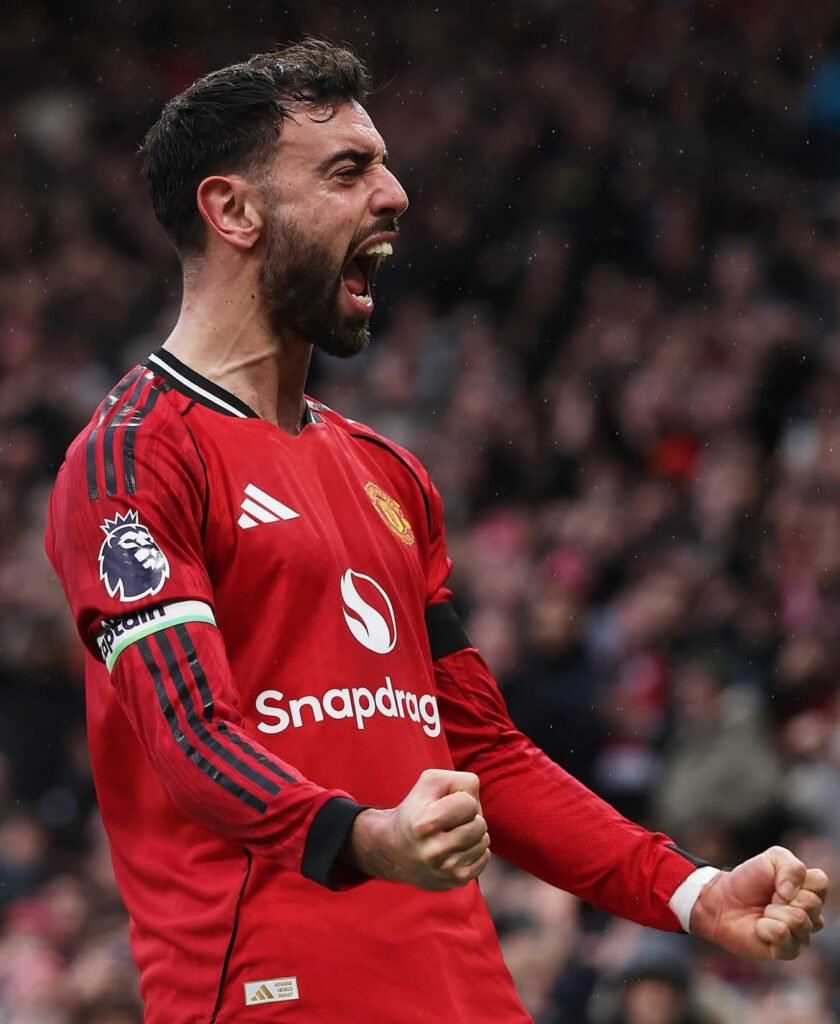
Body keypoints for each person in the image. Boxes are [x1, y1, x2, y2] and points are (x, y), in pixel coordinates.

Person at [44, 40, 828, 1024]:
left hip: (467, 993)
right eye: (348, 170)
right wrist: (368, 837)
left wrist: (687, 889)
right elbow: (195, 738)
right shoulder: (134, 458)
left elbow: (482, 751)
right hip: (276, 993)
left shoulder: (390, 473)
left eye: (384, 163)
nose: (396, 194)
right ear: (233, 210)